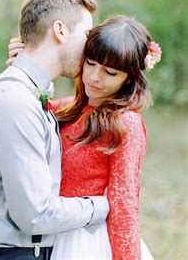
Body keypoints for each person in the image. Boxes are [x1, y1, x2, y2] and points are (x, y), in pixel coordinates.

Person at [0, 0, 110, 260]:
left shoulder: (30, 94)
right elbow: (35, 215)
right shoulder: (16, 101)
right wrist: (102, 206)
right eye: (87, 34)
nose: (92, 46)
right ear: (60, 30)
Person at [9, 16, 160, 259]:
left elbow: (123, 203)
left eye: (110, 72)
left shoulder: (126, 123)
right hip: (47, 233)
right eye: (90, 63)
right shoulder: (65, 109)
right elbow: (21, 113)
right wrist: (22, 64)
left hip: (86, 242)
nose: (94, 77)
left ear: (129, 77)